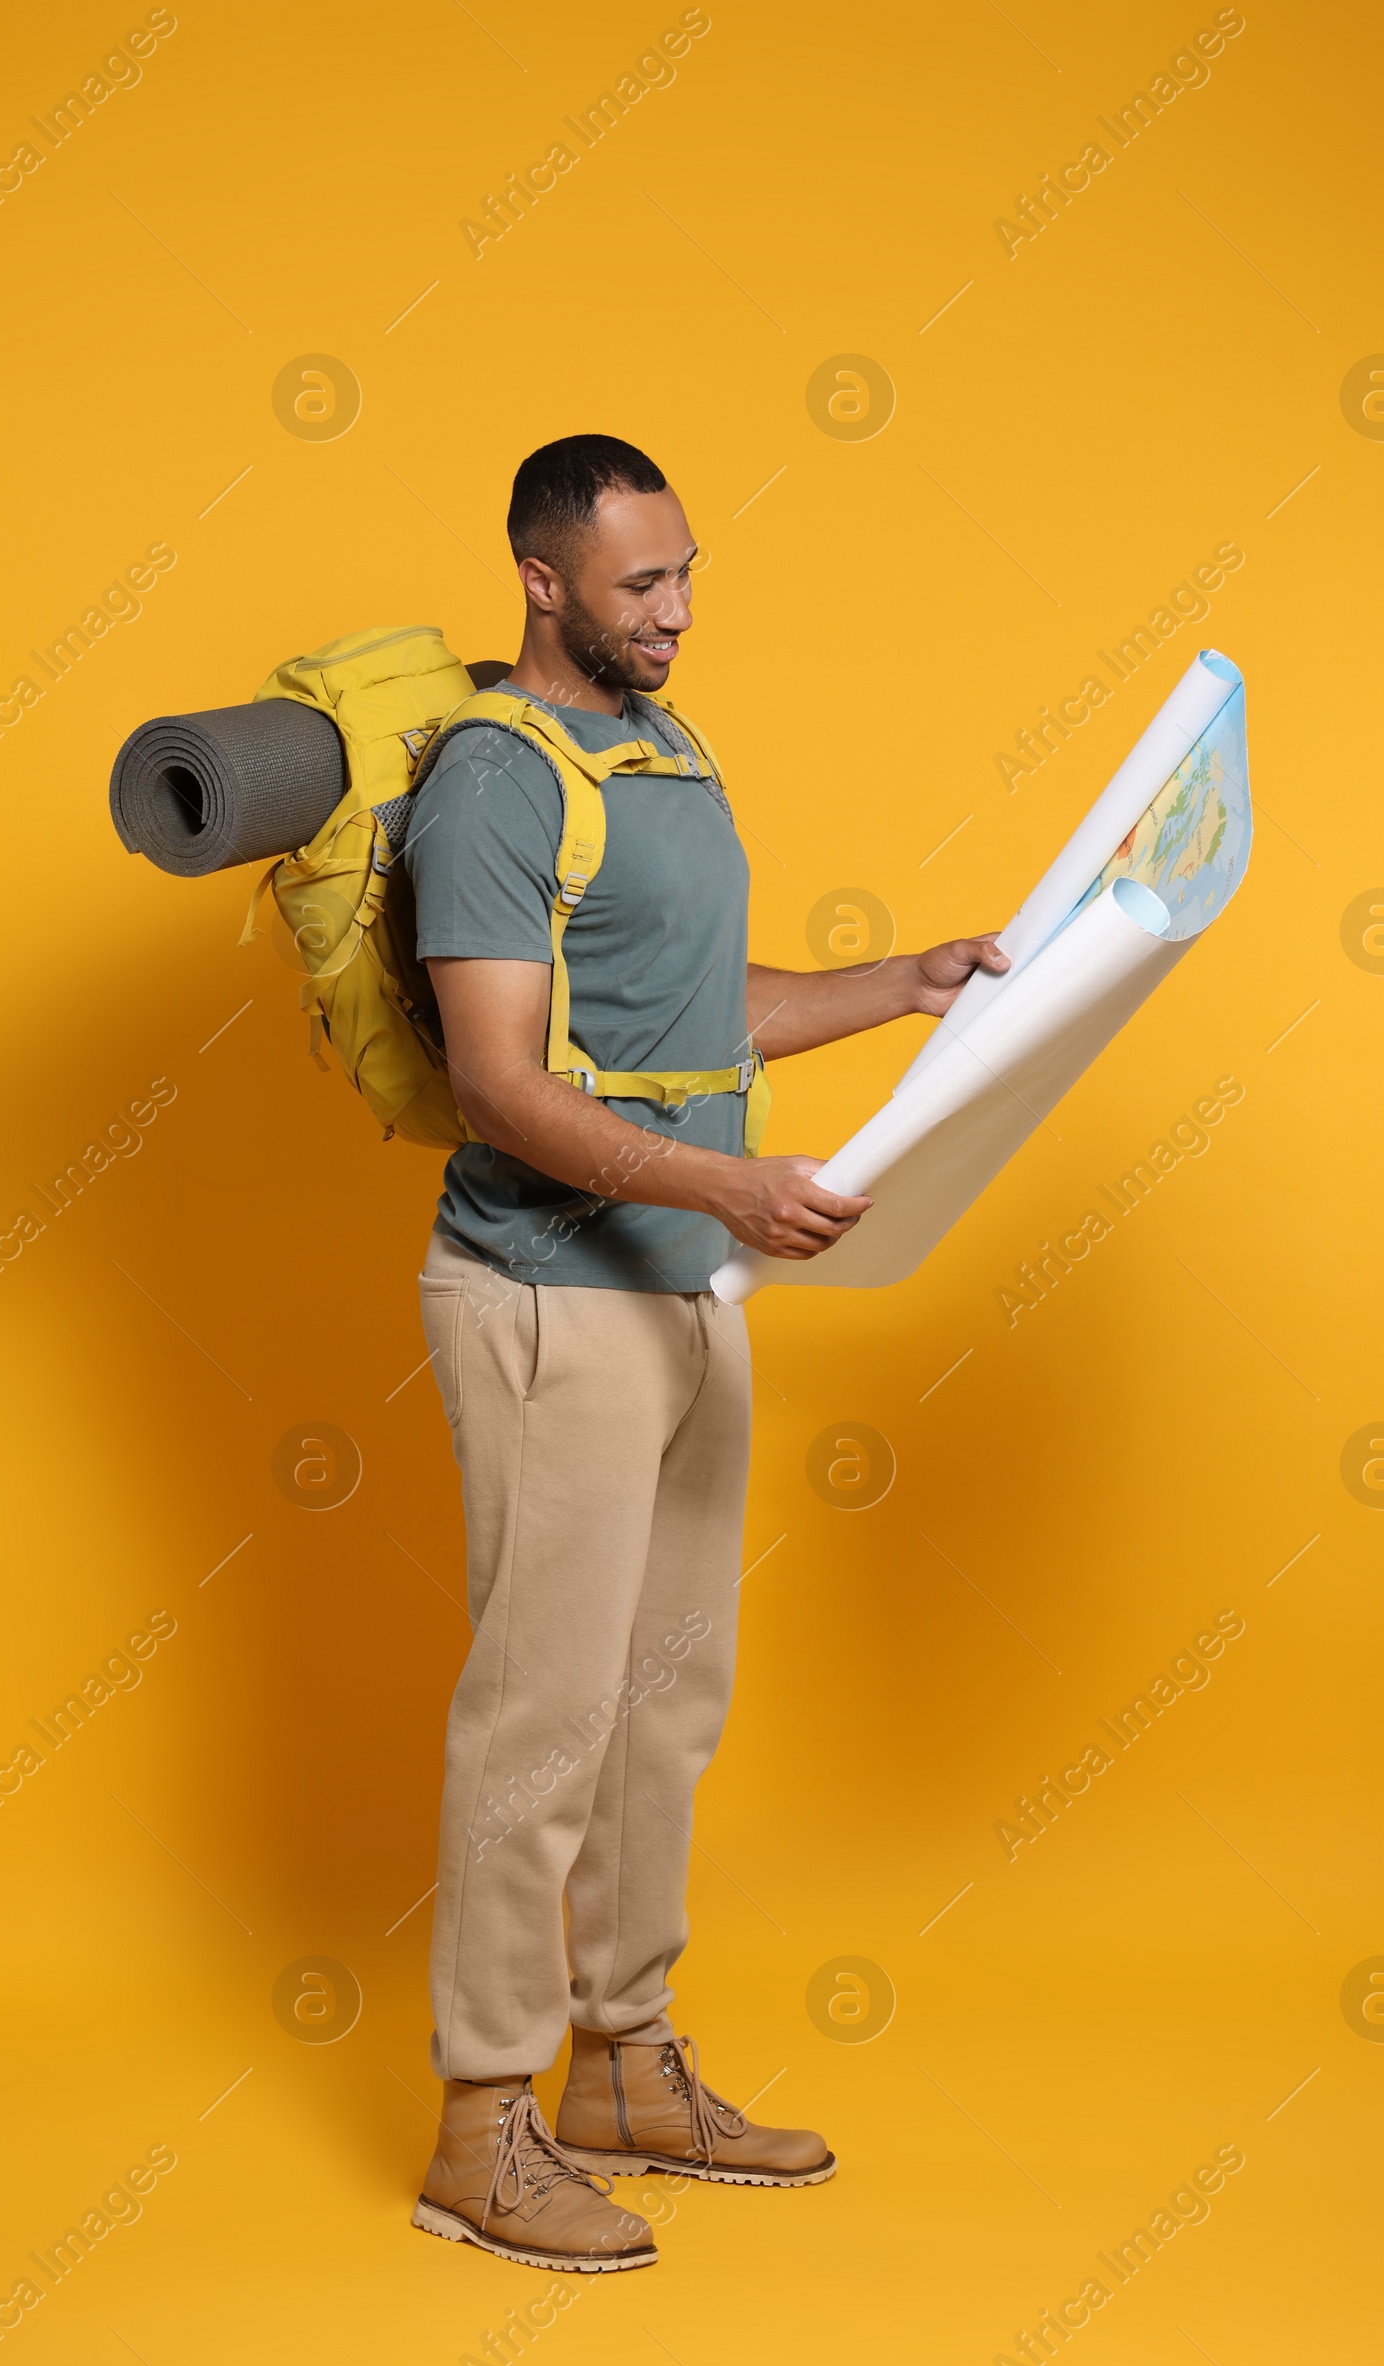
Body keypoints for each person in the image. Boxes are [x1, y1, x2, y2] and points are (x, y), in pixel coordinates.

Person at [405, 434, 1006, 2272]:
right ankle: (482, 2122)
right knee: (543, 1722)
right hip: (547, 1299)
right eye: (639, 585)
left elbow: (692, 1010)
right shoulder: (493, 786)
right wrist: (734, 1189)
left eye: (685, 579)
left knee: (664, 1709)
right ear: (542, 581)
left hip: (685, 1286)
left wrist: (893, 985)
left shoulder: (670, 753)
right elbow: (498, 1078)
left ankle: (625, 2064)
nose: (673, 614)